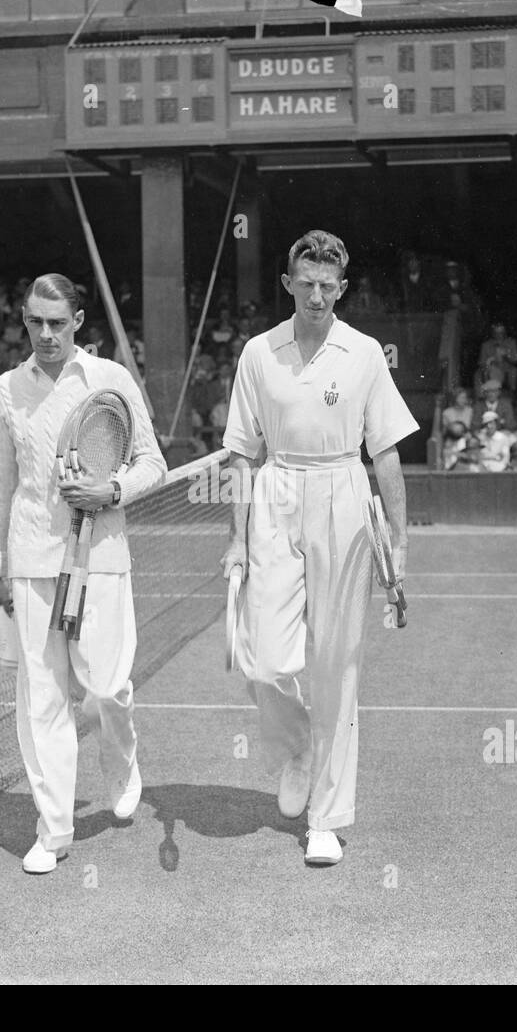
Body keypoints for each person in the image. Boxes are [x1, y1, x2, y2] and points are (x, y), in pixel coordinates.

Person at [221, 231, 417, 867]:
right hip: (276, 491)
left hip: (344, 493)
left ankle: (326, 818)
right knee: (262, 660)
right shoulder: (258, 353)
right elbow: (241, 453)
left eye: (327, 286)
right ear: (288, 283)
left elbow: (385, 451)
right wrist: (235, 539)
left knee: (336, 666)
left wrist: (399, 540)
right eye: (305, 283)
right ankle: (299, 746)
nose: (315, 295)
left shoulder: (364, 353)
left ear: (342, 288)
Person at [0, 273, 167, 876]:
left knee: (107, 688)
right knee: (42, 700)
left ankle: (123, 763)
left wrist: (109, 490)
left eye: (57, 323)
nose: (45, 333)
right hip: (33, 560)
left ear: (79, 323)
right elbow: (0, 485)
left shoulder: (110, 379)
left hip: (102, 557)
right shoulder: (8, 389)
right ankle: (54, 830)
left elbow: (153, 463)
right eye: (35, 321)